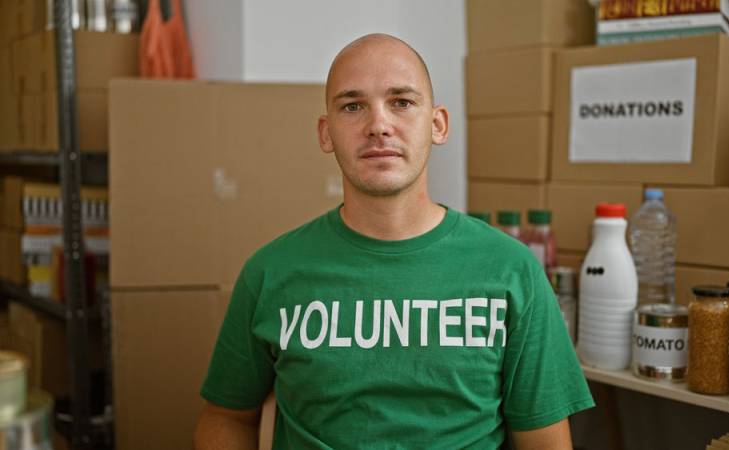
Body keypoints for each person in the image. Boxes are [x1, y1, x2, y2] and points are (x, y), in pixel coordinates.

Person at [193, 33, 593, 450]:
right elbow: (226, 418)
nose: (378, 126)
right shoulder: (270, 272)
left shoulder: (513, 270)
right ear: (326, 134)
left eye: (401, 102)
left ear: (437, 125)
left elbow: (544, 441)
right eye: (353, 106)